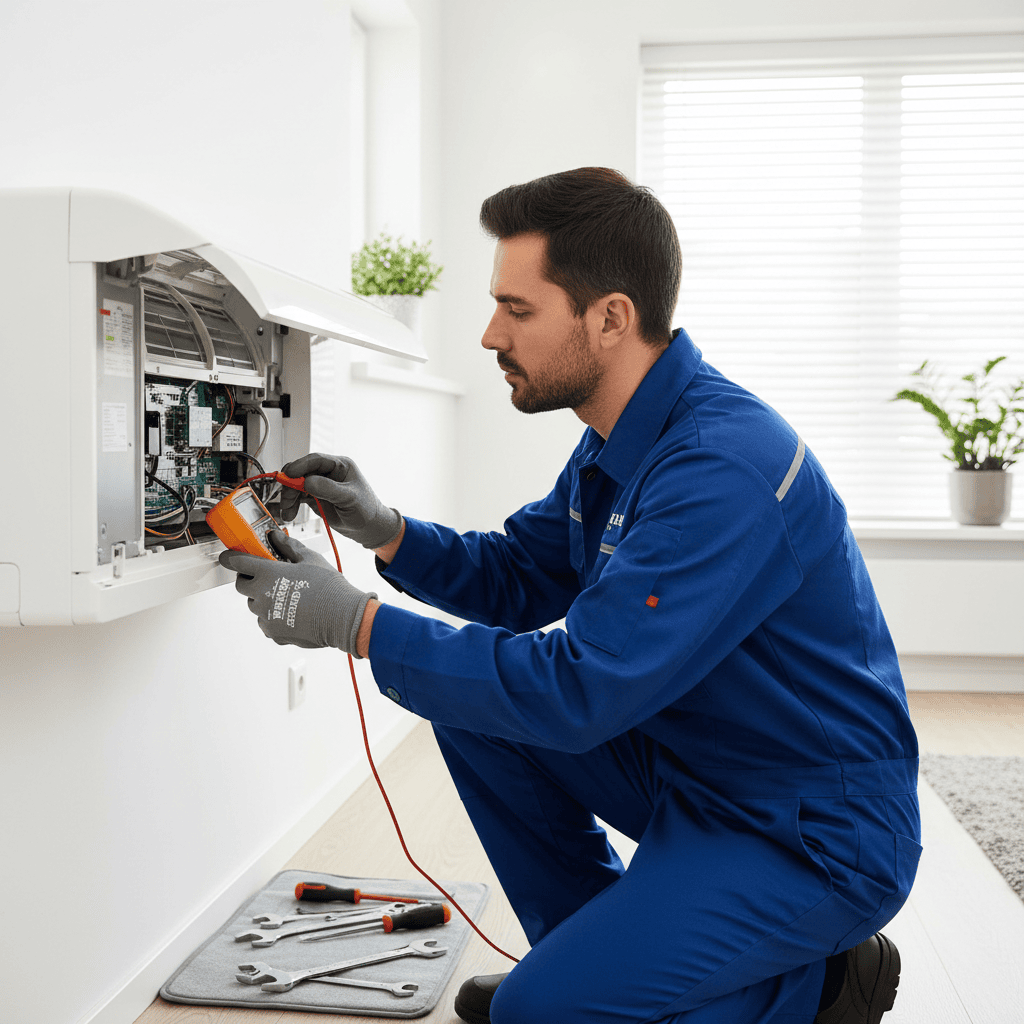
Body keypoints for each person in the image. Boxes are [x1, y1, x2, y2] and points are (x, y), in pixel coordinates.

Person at [220, 167, 921, 1024]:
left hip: (809, 828)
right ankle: (579, 958)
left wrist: (357, 623)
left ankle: (819, 986)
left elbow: (578, 690)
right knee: (474, 709)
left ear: (610, 318)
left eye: (518, 310)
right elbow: (520, 574)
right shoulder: (622, 439)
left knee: (537, 1015)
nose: (488, 334)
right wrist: (386, 530)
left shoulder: (718, 466)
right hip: (697, 769)